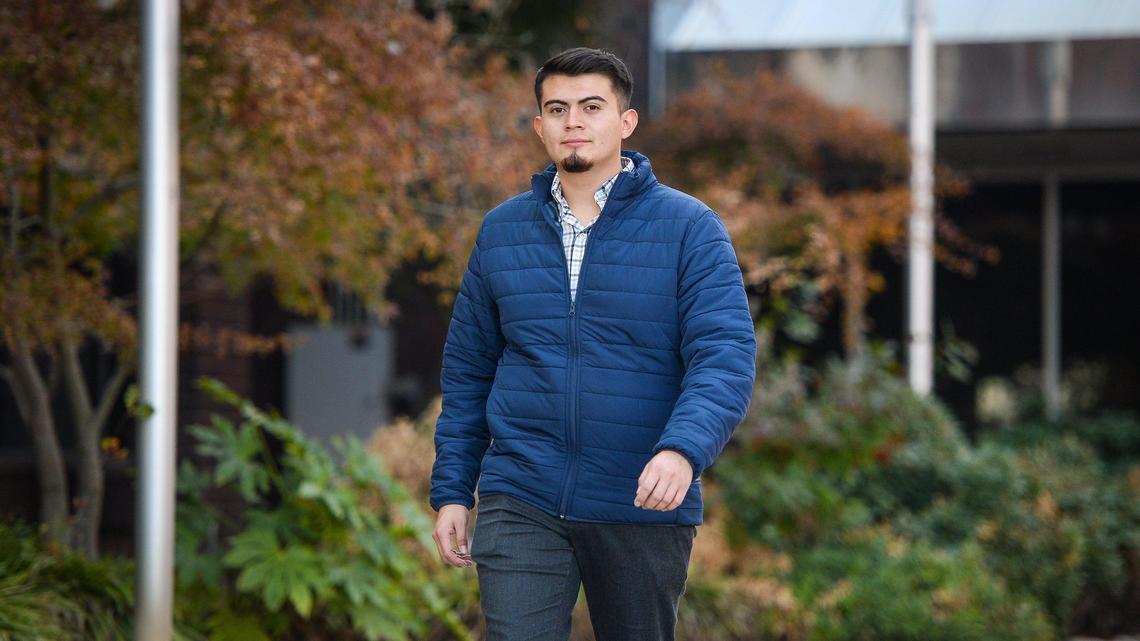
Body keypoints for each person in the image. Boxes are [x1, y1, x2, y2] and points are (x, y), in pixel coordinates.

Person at [429, 47, 756, 641]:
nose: (572, 121)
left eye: (590, 106)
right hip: (521, 490)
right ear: (539, 126)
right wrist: (453, 488)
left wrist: (682, 450)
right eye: (557, 109)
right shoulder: (502, 232)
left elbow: (724, 358)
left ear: (625, 122)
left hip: (641, 497)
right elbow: (469, 371)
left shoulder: (689, 228)